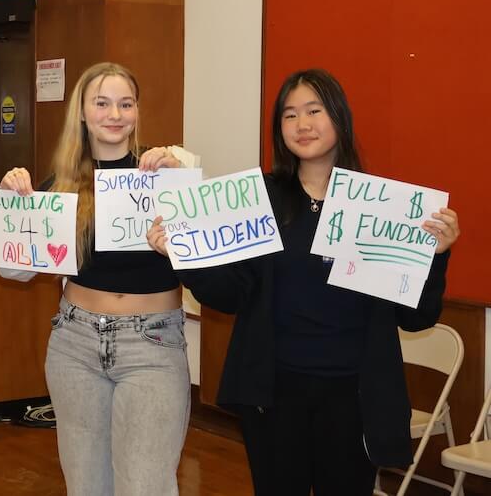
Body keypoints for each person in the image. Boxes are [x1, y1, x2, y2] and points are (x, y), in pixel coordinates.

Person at [147, 68, 462, 496]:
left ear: (339, 118)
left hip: (354, 397)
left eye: (314, 110)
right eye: (289, 115)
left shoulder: (379, 207)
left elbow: (417, 317)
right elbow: (231, 294)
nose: (303, 124)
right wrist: (182, 256)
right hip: (274, 394)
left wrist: (436, 257)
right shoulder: (261, 197)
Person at [0, 62, 193, 496]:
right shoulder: (59, 186)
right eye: (101, 103)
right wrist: (14, 206)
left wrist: (181, 178)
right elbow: (15, 270)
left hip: (153, 346)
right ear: (82, 113)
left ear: (137, 111)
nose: (115, 114)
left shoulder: (165, 176)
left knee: (146, 485)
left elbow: (206, 250)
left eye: (125, 104)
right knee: (86, 486)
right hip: (76, 343)